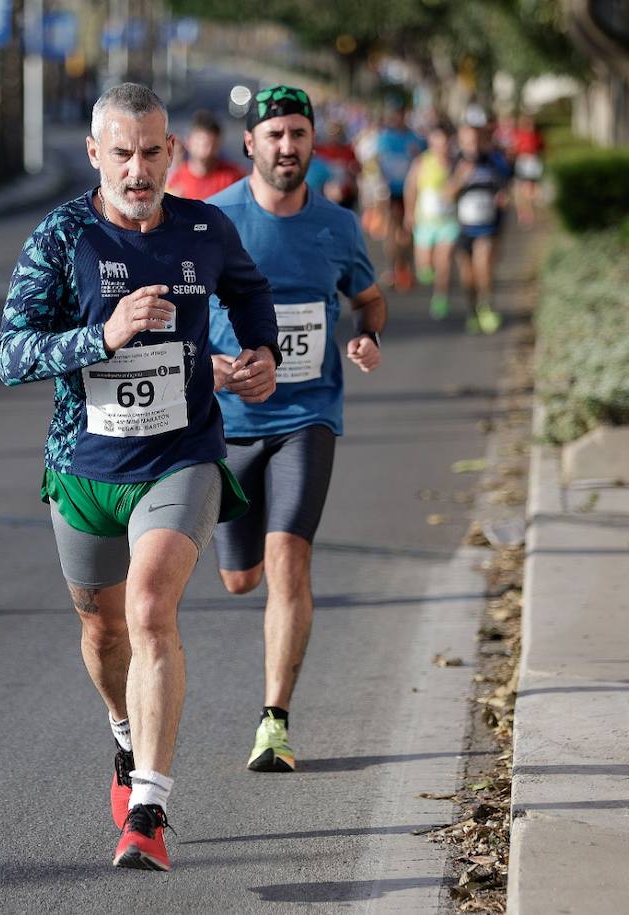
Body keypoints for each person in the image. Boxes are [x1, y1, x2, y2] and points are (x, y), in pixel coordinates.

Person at [0, 83, 279, 871]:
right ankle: (124, 734)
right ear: (95, 154)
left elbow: (251, 296)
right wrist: (102, 335)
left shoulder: (204, 226)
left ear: (173, 152)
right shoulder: (62, 236)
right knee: (103, 627)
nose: (138, 167)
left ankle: (149, 808)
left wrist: (261, 356)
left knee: (152, 607)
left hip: (180, 455)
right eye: (122, 153)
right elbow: (11, 353)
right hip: (83, 469)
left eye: (153, 151)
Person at [205, 84, 386, 774]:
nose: (288, 147)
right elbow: (184, 315)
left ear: (314, 142)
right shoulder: (214, 220)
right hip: (228, 424)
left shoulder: (337, 227)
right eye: (274, 134)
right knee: (240, 578)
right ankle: (272, 707)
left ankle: (274, 720)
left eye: (299, 134)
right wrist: (213, 364)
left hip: (307, 415)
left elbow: (368, 300)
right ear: (249, 143)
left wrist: (369, 336)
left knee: (289, 560)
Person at [450, 122, 512, 334]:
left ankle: (486, 307)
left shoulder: (495, 162)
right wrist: (460, 178)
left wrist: (503, 197)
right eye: (467, 140)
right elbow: (446, 195)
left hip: (488, 226)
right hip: (463, 228)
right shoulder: (455, 162)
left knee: (483, 265)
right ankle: (472, 310)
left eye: (476, 140)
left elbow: (507, 187)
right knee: (468, 276)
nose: (472, 145)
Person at [403, 121, 460, 319]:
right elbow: (411, 188)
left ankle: (440, 297)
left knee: (443, 262)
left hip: (448, 221)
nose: (441, 146)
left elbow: (460, 189)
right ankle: (428, 274)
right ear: (431, 142)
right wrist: (409, 213)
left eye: (444, 142)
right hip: (425, 222)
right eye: (437, 142)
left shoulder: (455, 163)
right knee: (425, 268)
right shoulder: (421, 163)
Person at [375, 106, 425, 291]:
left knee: (408, 231)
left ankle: (407, 269)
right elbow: (378, 162)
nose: (397, 118)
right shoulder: (384, 138)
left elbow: (423, 160)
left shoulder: (415, 139)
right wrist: (380, 188)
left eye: (400, 114)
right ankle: (392, 270)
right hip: (391, 191)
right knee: (391, 231)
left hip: (410, 191)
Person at [165, 109, 246, 200]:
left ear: (217, 144)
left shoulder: (233, 178)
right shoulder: (176, 181)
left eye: (208, 143)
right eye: (199, 142)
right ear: (188, 142)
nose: (204, 149)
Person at [510, 113, 546, 225]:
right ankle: (526, 212)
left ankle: (529, 212)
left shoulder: (536, 135)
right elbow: (514, 149)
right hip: (523, 163)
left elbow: (542, 149)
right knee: (524, 190)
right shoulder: (519, 135)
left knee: (529, 190)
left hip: (532, 164)